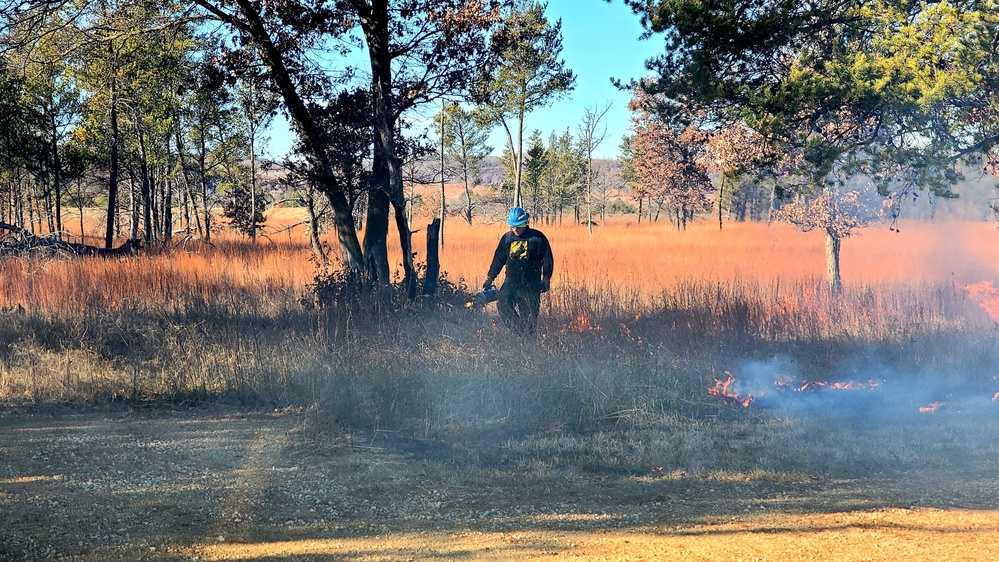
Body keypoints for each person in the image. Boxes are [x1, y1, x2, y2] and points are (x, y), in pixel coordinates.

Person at [483, 206, 553, 334]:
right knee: (503, 305)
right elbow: (498, 259)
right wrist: (490, 277)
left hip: (531, 285)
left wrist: (546, 279)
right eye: (512, 226)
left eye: (518, 226)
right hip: (511, 282)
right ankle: (519, 332)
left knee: (530, 319)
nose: (515, 229)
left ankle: (527, 341)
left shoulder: (538, 238)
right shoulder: (507, 238)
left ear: (526, 223)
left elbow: (547, 259)